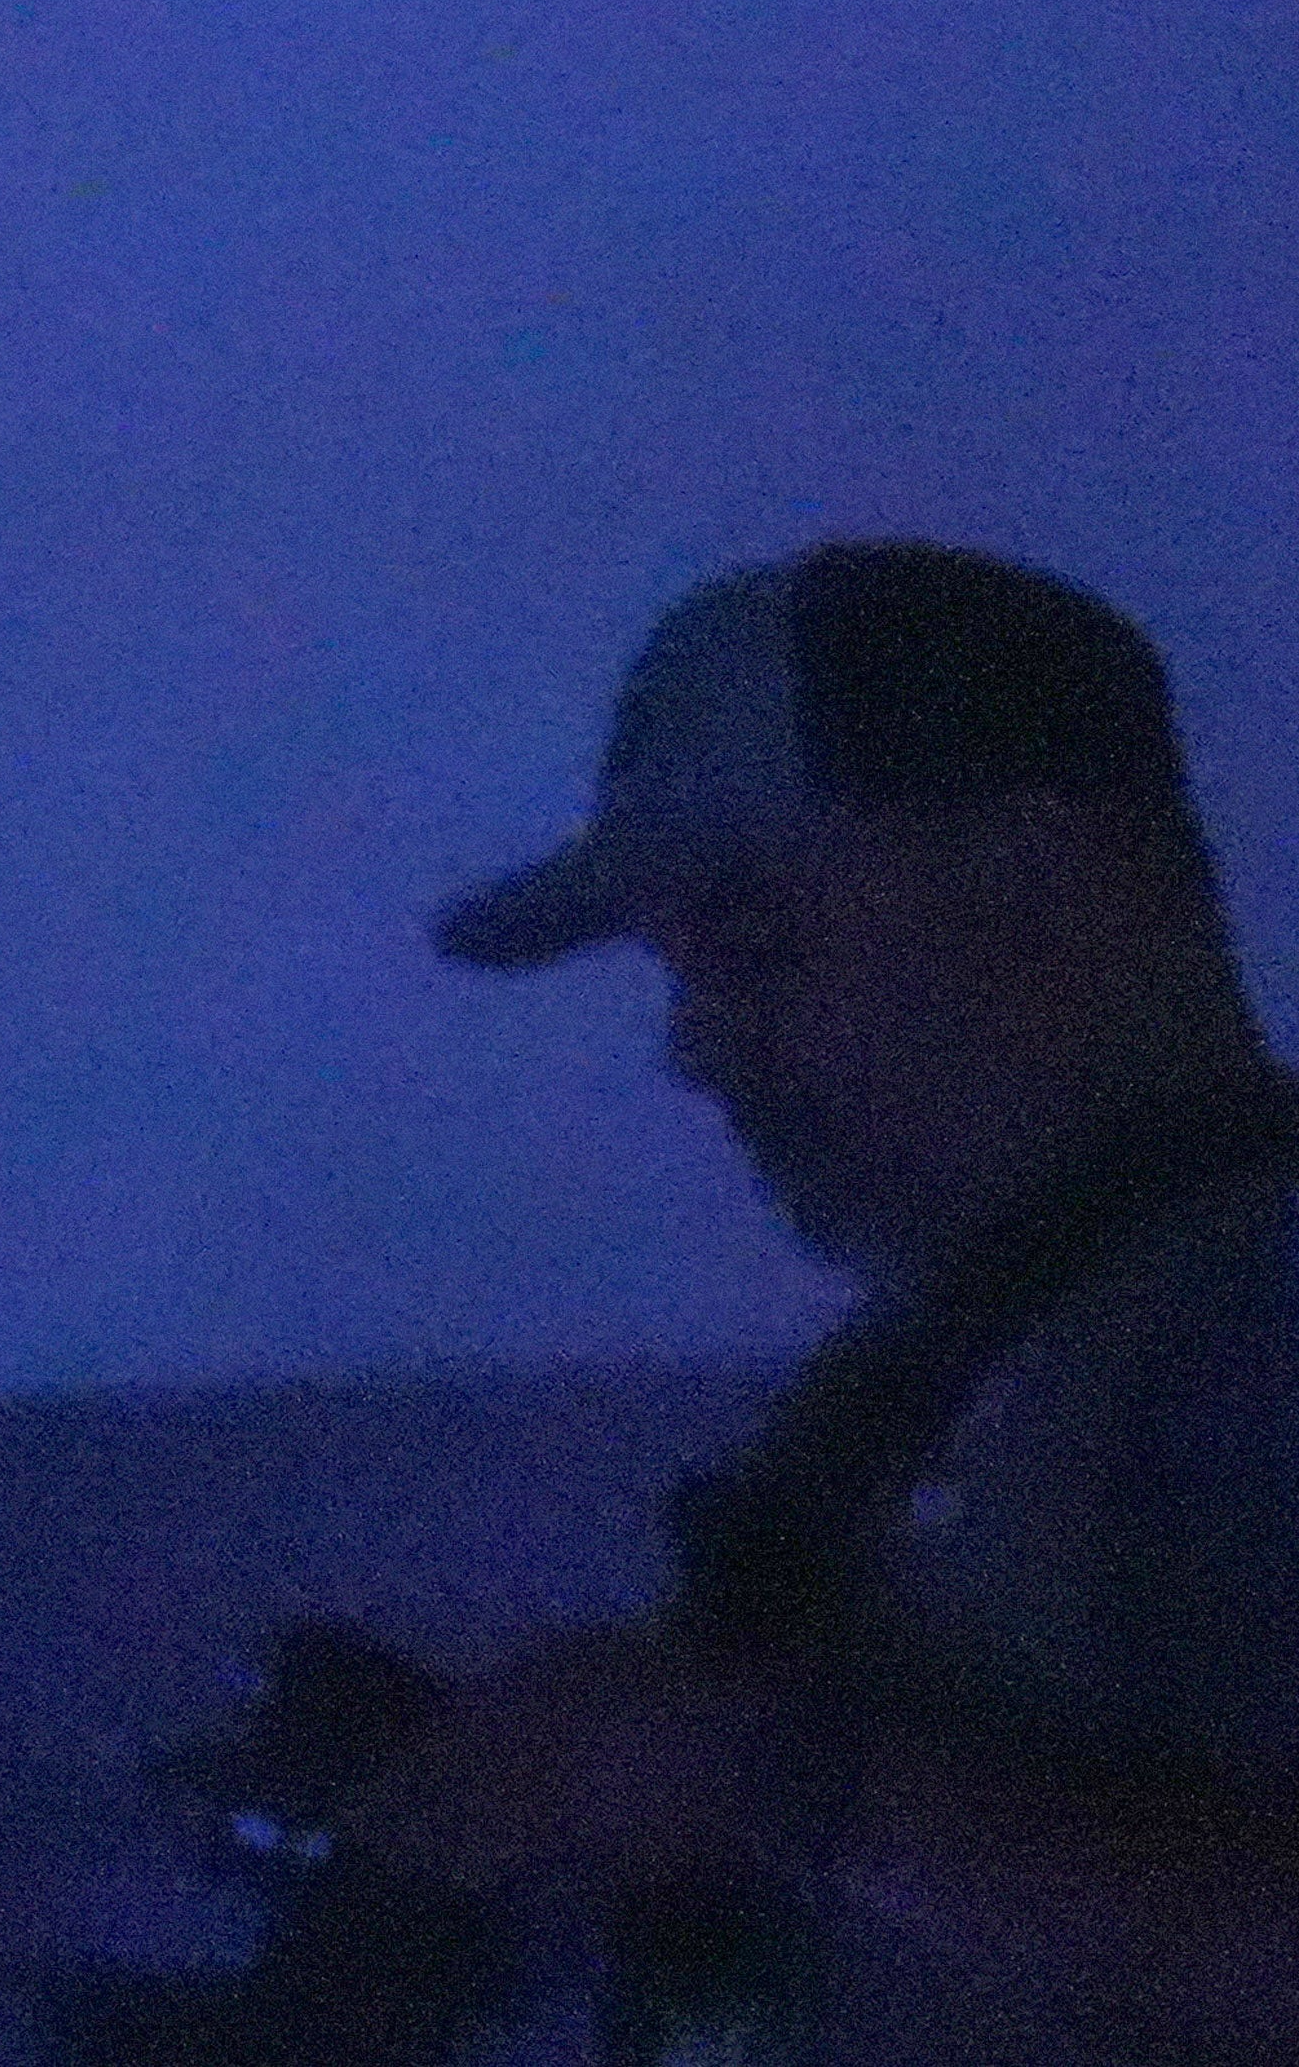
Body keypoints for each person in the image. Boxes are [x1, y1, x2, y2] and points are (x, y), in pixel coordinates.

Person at [362, 544, 1299, 2061]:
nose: (693, 1048)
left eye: (749, 945)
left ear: (1043, 878)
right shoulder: (982, 1348)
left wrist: (769, 1787)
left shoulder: (1242, 1306)